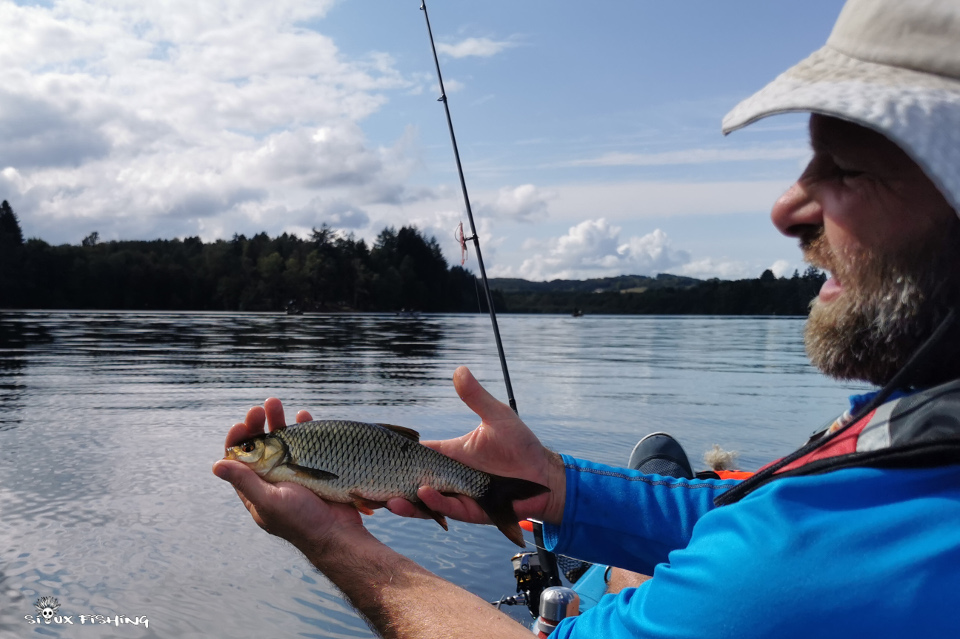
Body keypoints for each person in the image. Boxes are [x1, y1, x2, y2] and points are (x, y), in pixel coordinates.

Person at [212, 0, 960, 636]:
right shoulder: (919, 436)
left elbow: (778, 541)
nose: (786, 207)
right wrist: (553, 484)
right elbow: (745, 505)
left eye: (847, 167)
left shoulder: (804, 558)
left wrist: (335, 541)